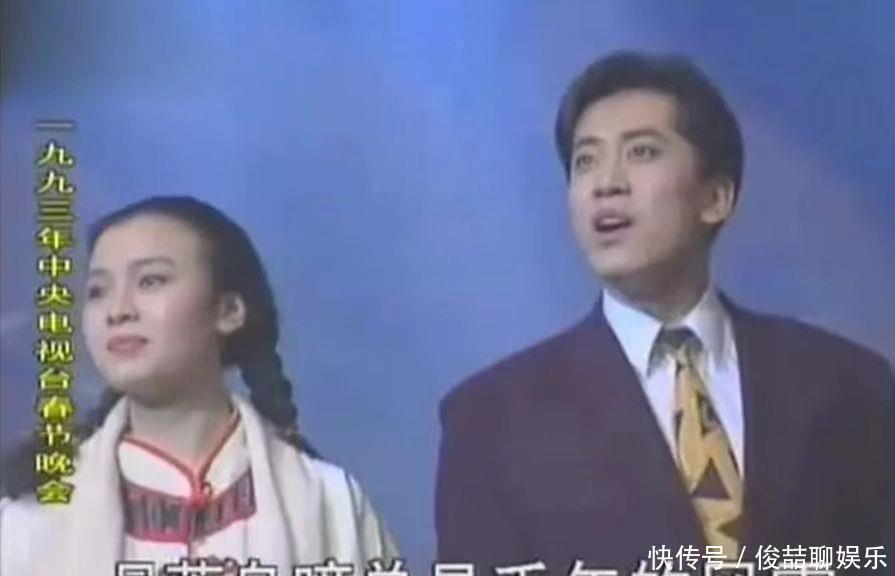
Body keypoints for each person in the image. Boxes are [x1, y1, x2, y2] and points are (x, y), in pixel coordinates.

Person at [435, 51, 895, 575]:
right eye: (585, 161)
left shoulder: (847, 384)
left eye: (642, 152)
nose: (606, 183)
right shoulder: (491, 419)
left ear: (716, 197)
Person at [0, 196, 397, 576]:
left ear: (229, 310)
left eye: (150, 281)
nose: (117, 310)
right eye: (98, 291)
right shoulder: (30, 514)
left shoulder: (329, 502)